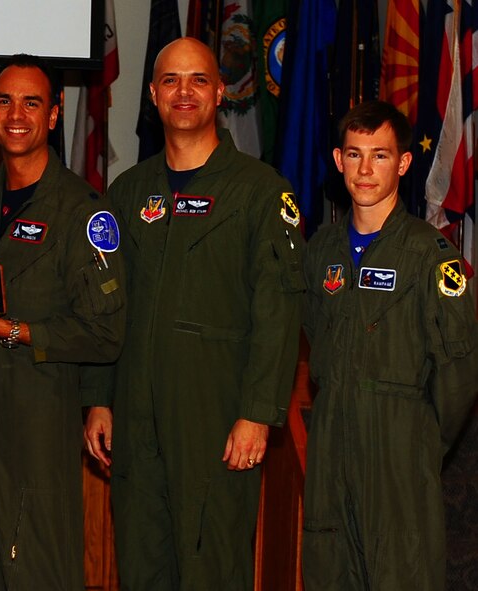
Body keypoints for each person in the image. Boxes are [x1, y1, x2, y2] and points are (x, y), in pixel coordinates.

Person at [84, 37, 305, 590]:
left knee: (213, 568)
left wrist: (258, 413)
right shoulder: (127, 192)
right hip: (134, 417)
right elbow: (104, 305)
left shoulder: (260, 192)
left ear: (220, 91)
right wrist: (98, 399)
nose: (185, 92)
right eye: (171, 81)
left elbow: (278, 309)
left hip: (216, 420)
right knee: (141, 565)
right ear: (154, 96)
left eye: (199, 79)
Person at [0, 55, 125, 590]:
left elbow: (104, 333)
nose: (17, 114)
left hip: (35, 426)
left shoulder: (83, 212)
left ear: (54, 115)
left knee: (34, 571)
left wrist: (10, 329)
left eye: (31, 102)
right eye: (5, 101)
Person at [302, 100, 478, 590]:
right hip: (332, 445)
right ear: (338, 161)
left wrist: (418, 440)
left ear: (402, 163)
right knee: (329, 569)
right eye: (354, 154)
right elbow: (317, 334)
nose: (365, 169)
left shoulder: (429, 256)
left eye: (380, 156)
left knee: (402, 572)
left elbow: (459, 372)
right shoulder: (321, 252)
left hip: (401, 453)